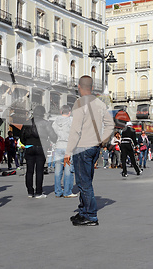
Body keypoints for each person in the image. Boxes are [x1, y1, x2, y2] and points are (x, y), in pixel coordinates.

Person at [65, 76, 114, 226]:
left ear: (79, 87)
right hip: (94, 148)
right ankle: (83, 212)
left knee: (83, 183)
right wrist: (102, 141)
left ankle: (91, 216)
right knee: (86, 180)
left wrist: (68, 151)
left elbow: (75, 130)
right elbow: (110, 125)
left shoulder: (80, 103)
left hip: (82, 147)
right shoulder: (100, 103)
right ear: (92, 88)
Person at [20, 105, 57, 199]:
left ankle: (30, 192)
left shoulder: (27, 122)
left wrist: (28, 143)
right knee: (39, 171)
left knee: (29, 171)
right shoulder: (46, 123)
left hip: (29, 147)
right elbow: (53, 136)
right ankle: (38, 192)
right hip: (41, 147)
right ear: (43, 113)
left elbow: (22, 137)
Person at [52, 104, 76, 198]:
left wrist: (54, 145)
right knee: (68, 171)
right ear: (69, 112)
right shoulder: (71, 121)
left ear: (61, 111)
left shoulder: (55, 122)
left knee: (57, 171)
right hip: (68, 147)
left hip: (58, 147)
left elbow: (52, 135)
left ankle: (58, 191)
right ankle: (67, 192)